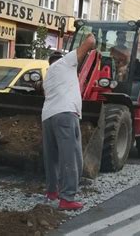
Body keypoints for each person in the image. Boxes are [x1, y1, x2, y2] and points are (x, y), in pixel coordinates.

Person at [41, 33, 96, 211]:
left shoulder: (48, 75)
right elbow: (90, 43)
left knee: (52, 157)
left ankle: (52, 192)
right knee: (71, 157)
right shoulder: (66, 63)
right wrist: (90, 33)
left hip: (48, 117)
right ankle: (67, 198)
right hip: (65, 114)